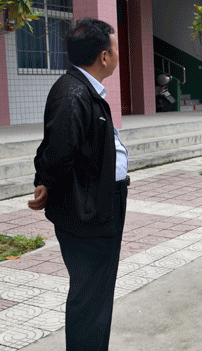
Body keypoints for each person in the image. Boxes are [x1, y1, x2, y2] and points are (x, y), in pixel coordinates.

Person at [28, 18, 128, 351]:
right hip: (89, 211)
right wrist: (46, 181)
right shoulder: (74, 93)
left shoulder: (82, 89)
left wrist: (44, 181)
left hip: (98, 204)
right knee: (91, 298)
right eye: (115, 48)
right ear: (103, 56)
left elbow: (57, 148)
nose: (117, 54)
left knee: (96, 295)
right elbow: (57, 152)